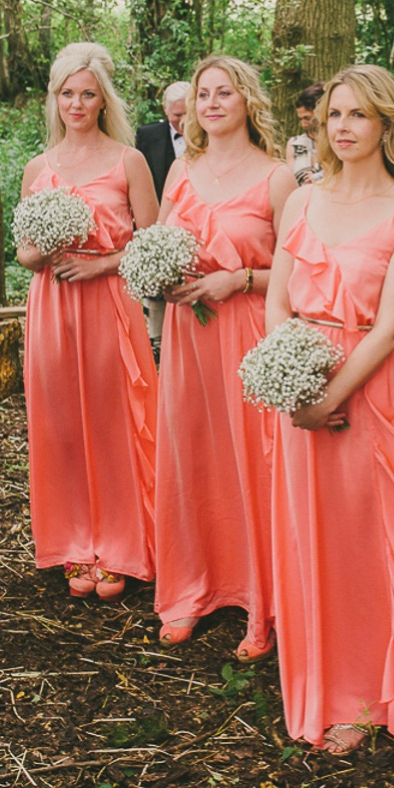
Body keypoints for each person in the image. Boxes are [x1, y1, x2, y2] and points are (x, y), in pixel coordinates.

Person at [266, 66, 394, 754]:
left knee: (375, 540)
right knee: (312, 533)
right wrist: (289, 378)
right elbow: (277, 299)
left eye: (357, 115)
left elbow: (392, 324)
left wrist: (335, 392)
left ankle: (374, 688)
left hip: (372, 386)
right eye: (333, 115)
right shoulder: (301, 201)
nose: (342, 127)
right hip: (301, 381)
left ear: (386, 124)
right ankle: (319, 673)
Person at [154, 56, 296, 659]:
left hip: (247, 333)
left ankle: (261, 604)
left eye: (224, 93)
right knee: (194, 459)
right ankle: (192, 588)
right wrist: (162, 278)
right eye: (203, 94)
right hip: (188, 336)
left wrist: (237, 279)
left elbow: (297, 277)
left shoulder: (278, 179)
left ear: (247, 102)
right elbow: (156, 247)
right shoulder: (181, 172)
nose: (211, 103)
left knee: (251, 463)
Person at [17, 42, 160, 600]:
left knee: (111, 421)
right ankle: (75, 544)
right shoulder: (38, 167)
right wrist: (47, 248)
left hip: (108, 304)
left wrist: (100, 262)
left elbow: (153, 243)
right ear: (55, 99)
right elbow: (24, 253)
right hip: (50, 305)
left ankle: (121, 545)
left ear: (103, 100)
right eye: (67, 93)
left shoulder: (128, 160)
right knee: (60, 427)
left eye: (87, 94)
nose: (76, 103)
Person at [136, 81, 191, 351]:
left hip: (192, 216)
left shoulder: (210, 133)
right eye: (176, 115)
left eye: (186, 114)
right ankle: (156, 338)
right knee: (157, 284)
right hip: (158, 211)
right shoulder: (147, 135)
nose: (182, 122)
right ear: (165, 110)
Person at [285, 83, 324, 186]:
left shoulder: (338, 144)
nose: (303, 124)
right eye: (300, 119)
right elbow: (291, 182)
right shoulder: (295, 144)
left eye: (307, 118)